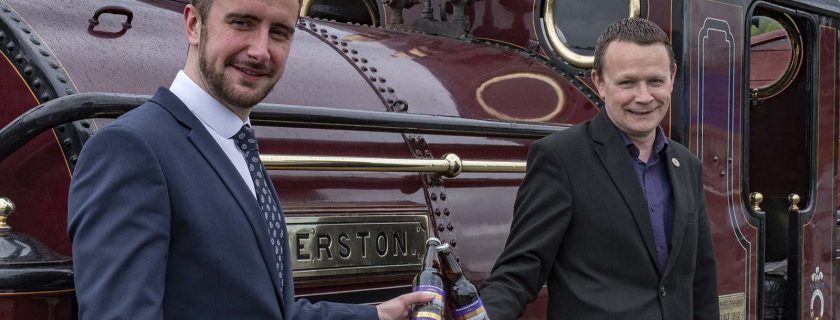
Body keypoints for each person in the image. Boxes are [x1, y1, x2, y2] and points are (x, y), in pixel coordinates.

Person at [67, 0, 432, 319]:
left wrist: (377, 315)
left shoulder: (237, 145)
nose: (260, 50)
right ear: (194, 24)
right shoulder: (131, 150)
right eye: (242, 23)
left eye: (279, 32)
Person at [479, 18, 719, 319]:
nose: (644, 97)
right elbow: (519, 270)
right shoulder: (560, 158)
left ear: (672, 78)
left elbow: (702, 282)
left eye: (655, 81)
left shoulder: (687, 165)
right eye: (627, 82)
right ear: (599, 82)